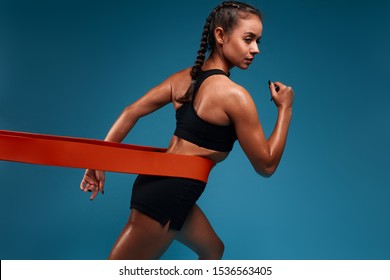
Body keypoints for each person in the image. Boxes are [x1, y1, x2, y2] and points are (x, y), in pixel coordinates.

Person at [80, 1, 294, 260]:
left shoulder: (184, 79)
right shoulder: (235, 96)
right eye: (248, 39)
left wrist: (99, 160)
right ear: (220, 35)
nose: (256, 49)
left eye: (258, 41)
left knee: (213, 250)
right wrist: (285, 110)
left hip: (160, 186)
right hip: (167, 197)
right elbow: (266, 166)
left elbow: (130, 111)